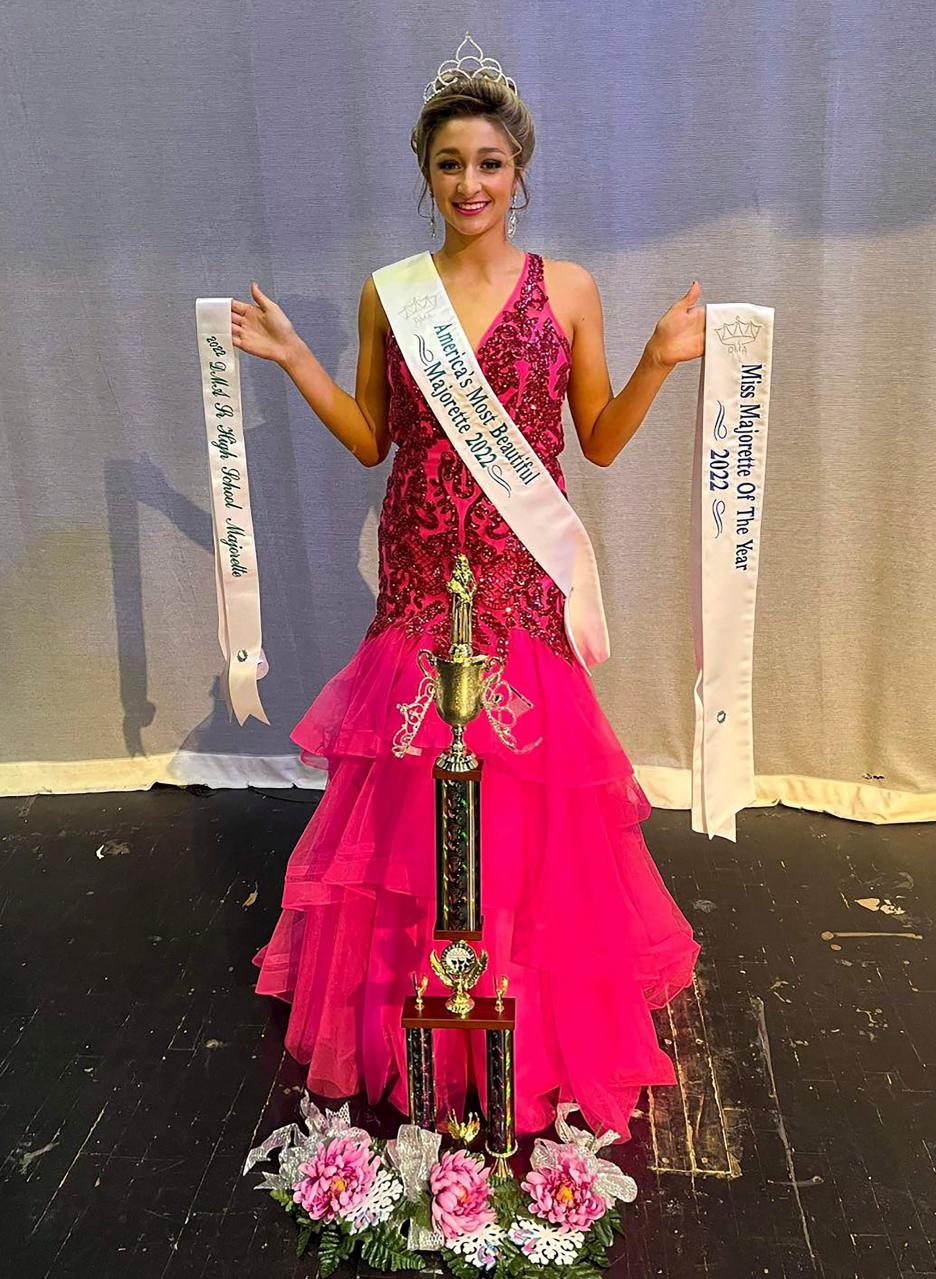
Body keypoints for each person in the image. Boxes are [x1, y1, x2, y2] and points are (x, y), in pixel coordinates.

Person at [232, 43, 704, 1143]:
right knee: (412, 799)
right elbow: (369, 443)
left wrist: (657, 359)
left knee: (529, 803)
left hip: (519, 577)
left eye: (490, 162)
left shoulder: (569, 289)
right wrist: (299, 358)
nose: (471, 183)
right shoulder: (391, 295)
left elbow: (596, 439)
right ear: (426, 173)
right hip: (421, 574)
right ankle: (421, 1018)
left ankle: (523, 1016)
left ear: (519, 170)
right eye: (450, 163)